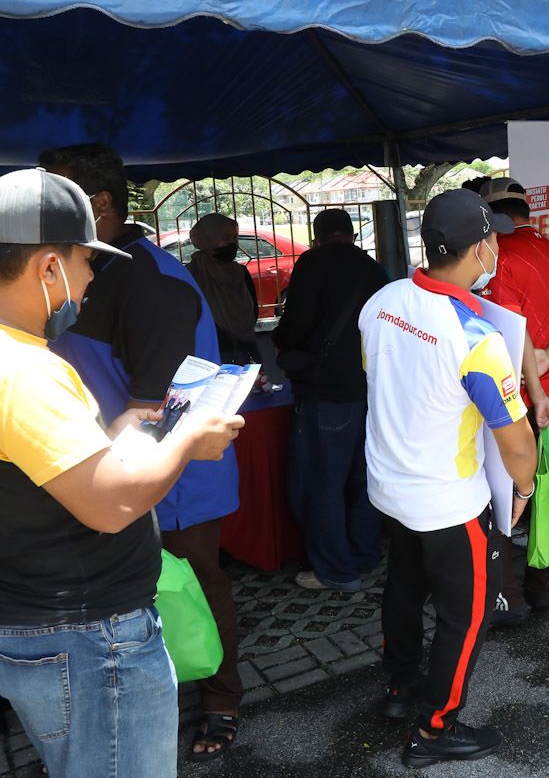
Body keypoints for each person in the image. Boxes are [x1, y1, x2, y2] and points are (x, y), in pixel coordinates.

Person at [0, 168, 243, 778]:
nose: (88, 282)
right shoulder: (26, 372)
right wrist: (187, 437)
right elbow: (108, 507)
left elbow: (49, 471)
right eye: (85, 263)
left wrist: (118, 438)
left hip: (51, 623)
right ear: (48, 267)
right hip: (87, 637)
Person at [359, 188, 549, 768]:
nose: (497, 246)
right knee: (464, 615)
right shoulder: (477, 339)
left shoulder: (383, 301)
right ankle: (434, 729)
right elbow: (517, 442)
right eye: (492, 238)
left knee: (401, 588)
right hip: (448, 501)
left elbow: (379, 376)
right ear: (480, 249)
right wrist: (522, 491)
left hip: (389, 488)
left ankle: (399, 690)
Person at [477, 177, 549, 626]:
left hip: (511, 397)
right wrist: (548, 358)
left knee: (500, 495)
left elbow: (509, 329)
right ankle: (540, 584)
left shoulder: (499, 258)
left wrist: (531, 374)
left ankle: (507, 595)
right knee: (541, 491)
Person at [273, 208, 388, 591]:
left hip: (326, 393)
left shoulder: (313, 262)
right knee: (363, 477)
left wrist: (283, 342)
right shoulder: (373, 268)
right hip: (369, 387)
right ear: (352, 233)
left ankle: (336, 570)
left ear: (316, 235)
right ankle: (365, 554)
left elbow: (297, 321)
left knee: (321, 482)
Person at [187, 213, 258, 364]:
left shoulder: (240, 272)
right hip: (210, 356)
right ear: (208, 239)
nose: (233, 243)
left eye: (235, 237)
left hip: (246, 351)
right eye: (225, 238)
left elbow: (253, 310)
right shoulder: (193, 275)